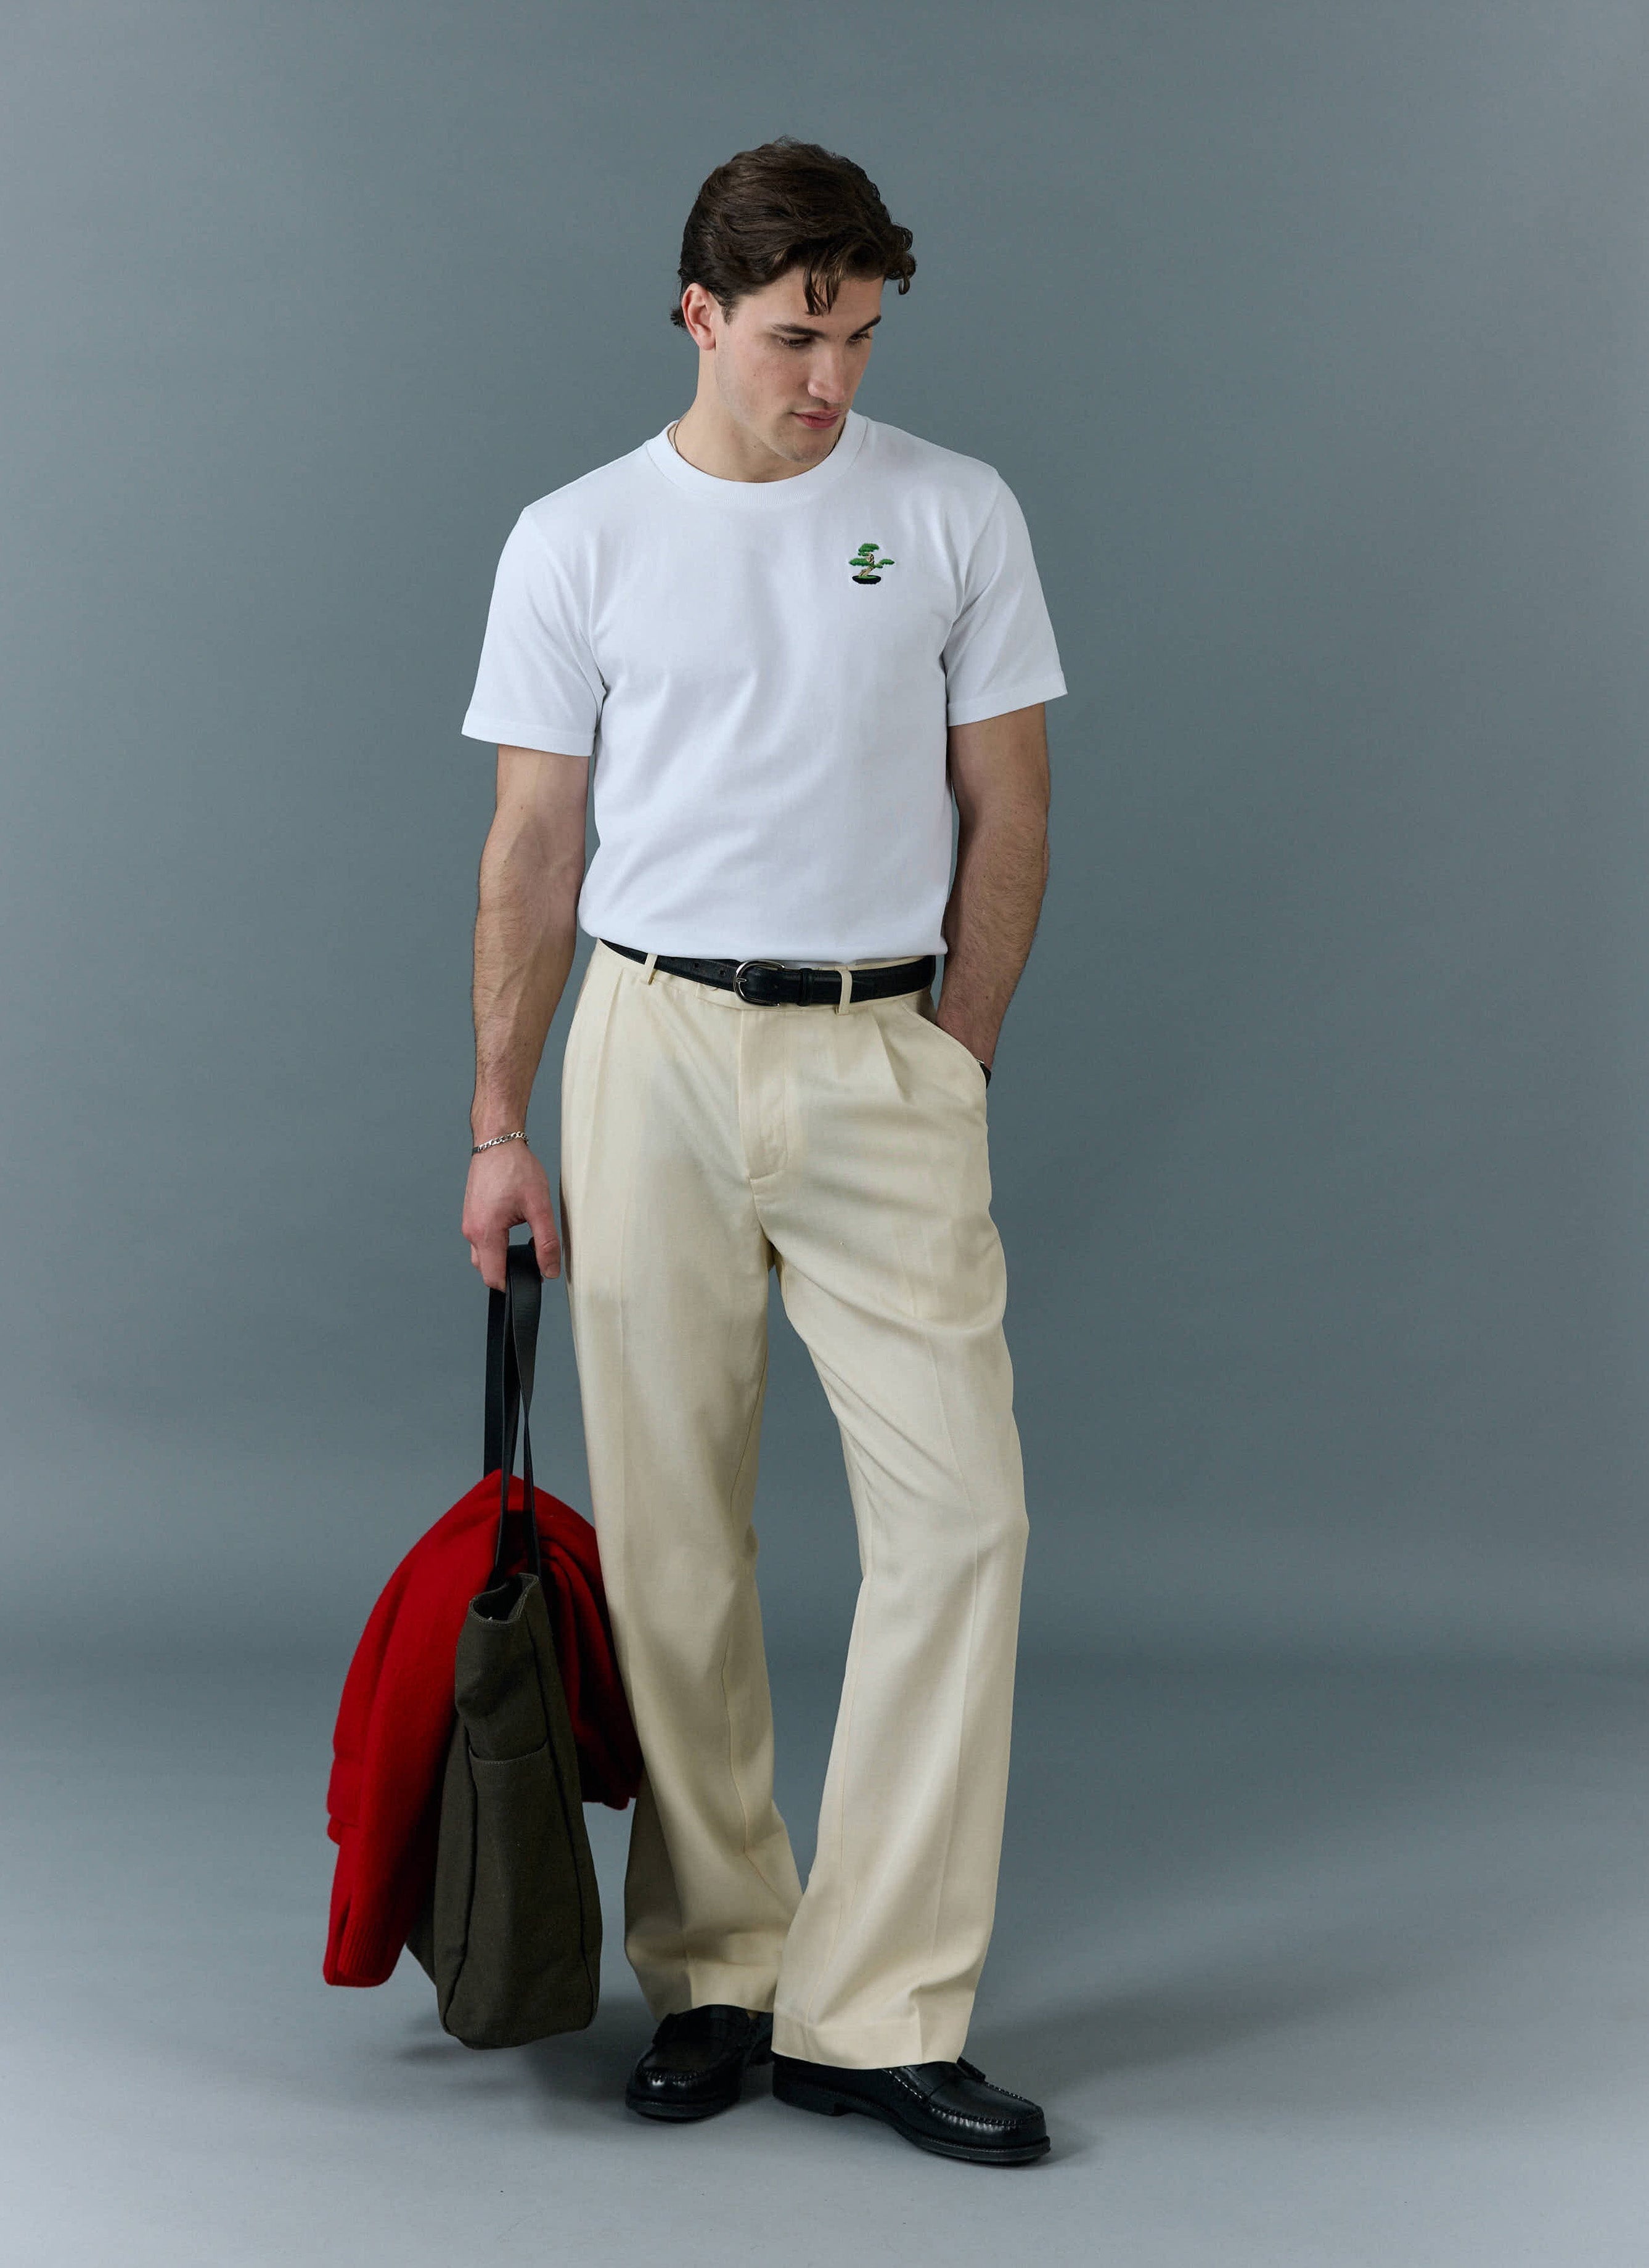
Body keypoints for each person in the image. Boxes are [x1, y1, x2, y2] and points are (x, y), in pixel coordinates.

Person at [459, 137, 1065, 2168]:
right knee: (679, 1540)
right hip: (648, 1051)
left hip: (883, 1046)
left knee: (961, 1523)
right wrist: (496, 1125)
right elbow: (534, 853)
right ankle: (720, 1965)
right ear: (699, 314)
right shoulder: (577, 538)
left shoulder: (954, 510)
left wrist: (951, 1061)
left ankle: (876, 2004)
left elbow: (1011, 809)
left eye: (863, 335)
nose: (834, 378)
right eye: (800, 335)